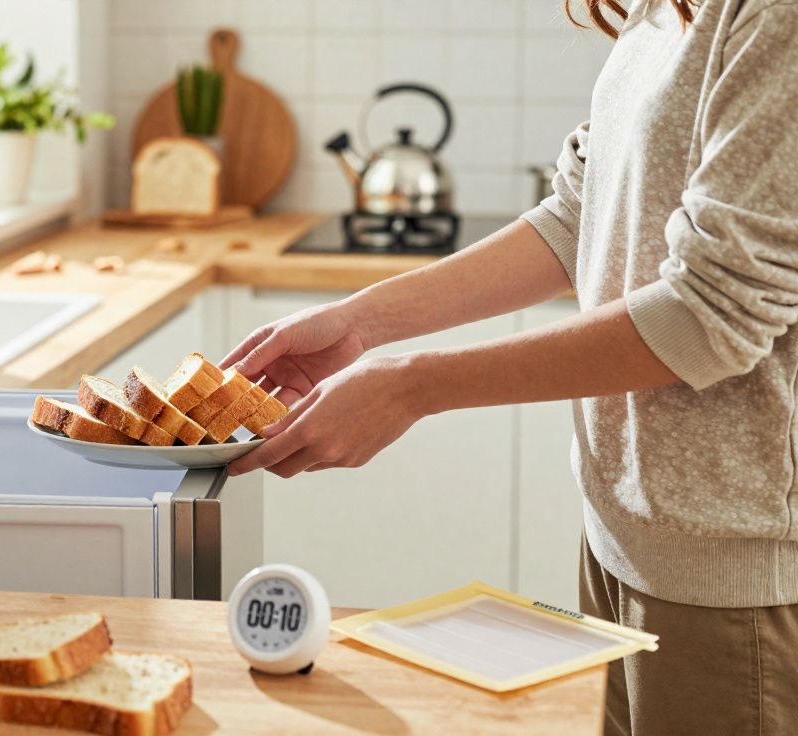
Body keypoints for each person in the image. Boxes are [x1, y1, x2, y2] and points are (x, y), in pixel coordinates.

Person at [223, 1, 798, 733]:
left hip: (734, 575)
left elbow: (712, 313)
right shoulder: (663, 10)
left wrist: (412, 386)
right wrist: (362, 323)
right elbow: (576, 213)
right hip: (621, 539)